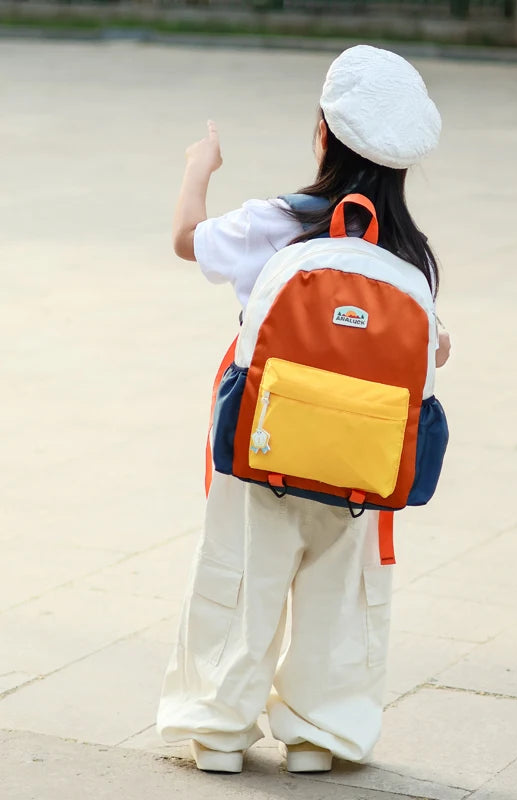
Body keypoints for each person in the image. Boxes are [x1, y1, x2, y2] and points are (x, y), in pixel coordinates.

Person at [157, 44, 450, 775]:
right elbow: (431, 349)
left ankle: (219, 731)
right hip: (359, 460)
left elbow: (187, 241)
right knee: (338, 591)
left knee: (243, 573)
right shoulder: (411, 256)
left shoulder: (278, 221)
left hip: (265, 441)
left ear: (323, 133)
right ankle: (320, 734)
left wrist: (199, 168)